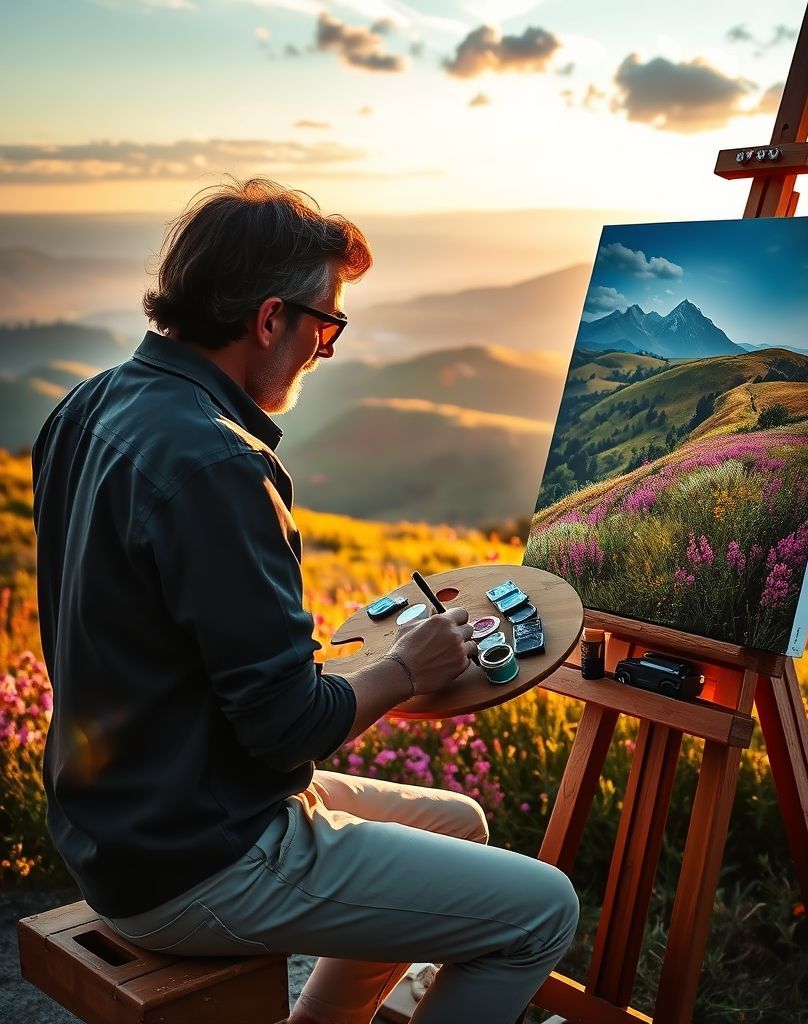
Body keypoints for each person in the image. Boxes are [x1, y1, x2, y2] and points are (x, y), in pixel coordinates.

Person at [30, 177, 579, 1024]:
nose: (327, 350)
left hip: (121, 818)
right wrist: (404, 669)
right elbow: (285, 727)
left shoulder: (86, 405)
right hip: (200, 854)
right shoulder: (219, 464)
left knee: (460, 822)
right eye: (327, 322)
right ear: (269, 318)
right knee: (544, 911)